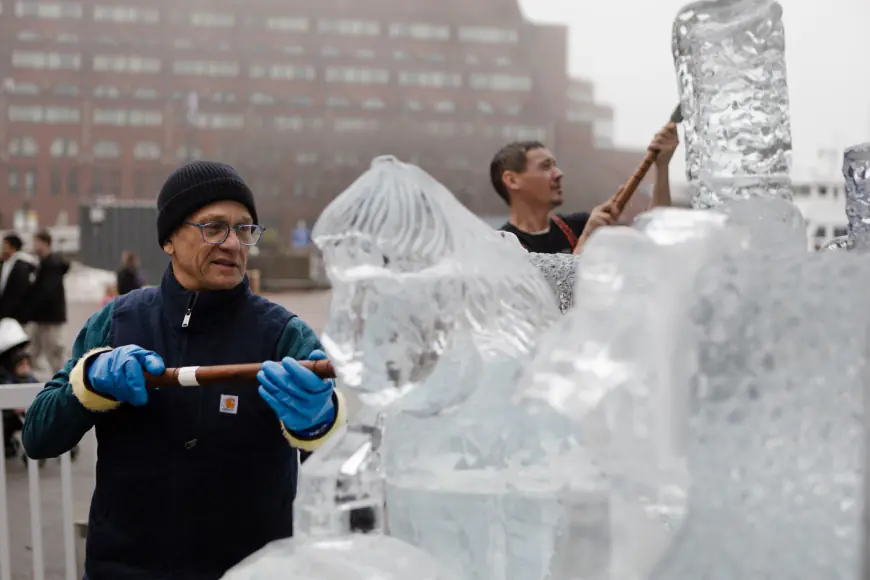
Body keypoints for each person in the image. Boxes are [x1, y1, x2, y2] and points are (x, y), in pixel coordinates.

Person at [22, 161, 347, 580]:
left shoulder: (285, 335)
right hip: (121, 570)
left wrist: (321, 426)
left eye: (245, 229)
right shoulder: (116, 322)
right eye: (214, 227)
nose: (233, 244)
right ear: (169, 240)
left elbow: (343, 477)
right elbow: (38, 436)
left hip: (248, 572)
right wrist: (87, 384)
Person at [491, 123, 680, 254]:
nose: (559, 173)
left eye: (555, 165)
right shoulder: (503, 247)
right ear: (512, 180)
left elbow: (654, 240)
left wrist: (662, 167)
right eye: (545, 166)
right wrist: (587, 237)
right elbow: (553, 300)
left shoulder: (578, 225)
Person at [24, 229, 70, 373]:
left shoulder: (51, 265)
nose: (34, 246)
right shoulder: (42, 264)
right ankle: (27, 379)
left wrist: (30, 309)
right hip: (41, 317)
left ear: (45, 244)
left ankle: (62, 382)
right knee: (32, 350)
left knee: (53, 351)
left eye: (36, 243)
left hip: (50, 318)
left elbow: (47, 293)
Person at [0, 233, 36, 322]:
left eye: (4, 245)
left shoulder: (21, 265)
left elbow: (18, 292)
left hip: (15, 315)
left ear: (12, 247)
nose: (2, 248)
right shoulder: (6, 263)